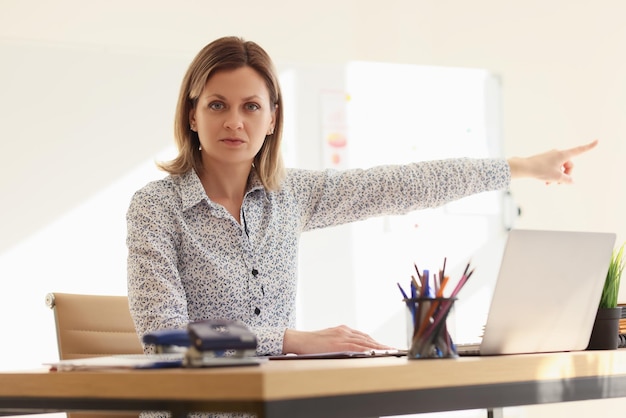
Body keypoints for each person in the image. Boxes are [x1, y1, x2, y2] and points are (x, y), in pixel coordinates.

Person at [126, 36, 598, 357]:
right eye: (217, 105)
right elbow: (165, 340)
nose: (235, 122)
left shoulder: (291, 196)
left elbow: (406, 184)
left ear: (272, 120)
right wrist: (291, 340)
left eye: (251, 106)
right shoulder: (156, 208)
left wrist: (522, 167)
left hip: (276, 402)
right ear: (192, 116)